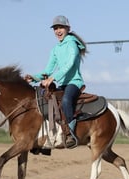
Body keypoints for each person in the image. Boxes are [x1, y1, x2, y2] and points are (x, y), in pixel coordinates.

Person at [25, 15, 87, 148]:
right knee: (44, 101)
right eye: (55, 28)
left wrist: (53, 78)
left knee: (65, 101)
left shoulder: (72, 44)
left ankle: (70, 134)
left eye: (61, 28)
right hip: (62, 84)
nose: (58, 31)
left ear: (67, 28)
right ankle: (47, 138)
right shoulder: (55, 49)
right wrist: (34, 78)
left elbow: (69, 65)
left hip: (74, 83)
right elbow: (48, 70)